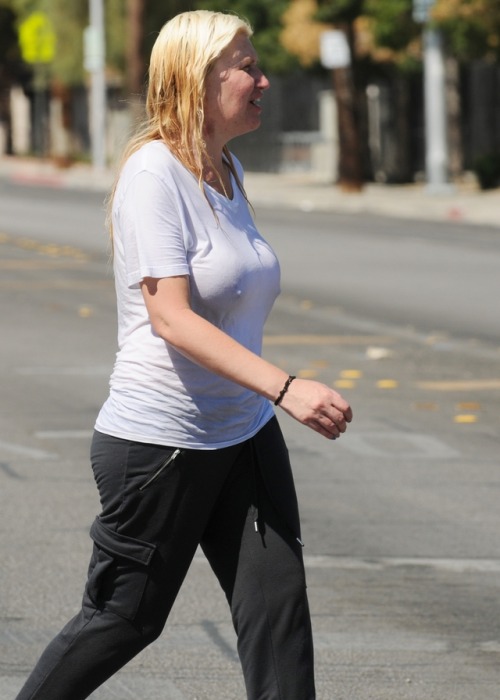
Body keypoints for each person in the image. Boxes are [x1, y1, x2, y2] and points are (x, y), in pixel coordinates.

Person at [15, 10, 352, 700]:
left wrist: (265, 402)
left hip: (244, 434)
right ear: (197, 80)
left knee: (278, 616)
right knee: (124, 619)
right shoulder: (153, 175)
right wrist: (285, 389)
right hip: (161, 440)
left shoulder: (225, 170)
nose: (264, 79)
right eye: (248, 67)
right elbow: (170, 317)